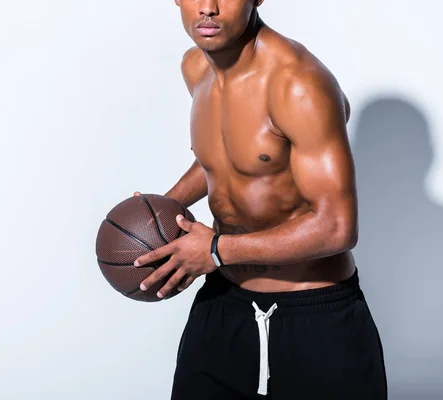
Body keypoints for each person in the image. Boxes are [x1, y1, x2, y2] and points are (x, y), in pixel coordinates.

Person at [132, 0, 387, 399]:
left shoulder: (298, 84)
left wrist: (216, 250)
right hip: (223, 304)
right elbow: (227, 158)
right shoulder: (196, 67)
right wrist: (159, 210)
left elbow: (337, 227)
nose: (209, 8)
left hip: (314, 318)